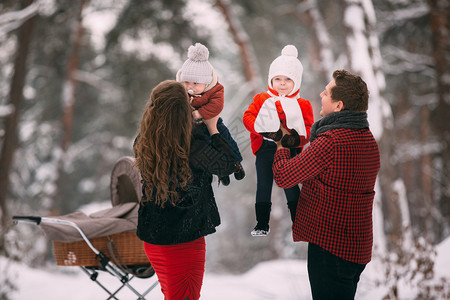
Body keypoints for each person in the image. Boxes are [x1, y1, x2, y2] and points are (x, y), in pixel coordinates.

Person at [272, 69, 380, 299]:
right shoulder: (368, 140)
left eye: (327, 92)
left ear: (339, 105)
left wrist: (281, 145)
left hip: (331, 248)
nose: (321, 93)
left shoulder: (331, 141)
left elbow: (283, 175)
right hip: (357, 249)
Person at [134, 80, 236, 300]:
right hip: (183, 245)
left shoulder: (142, 141)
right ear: (183, 112)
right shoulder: (194, 146)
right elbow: (230, 164)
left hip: (153, 241)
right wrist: (213, 126)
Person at [243, 45, 314, 236]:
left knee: (290, 185)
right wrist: (262, 129)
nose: (282, 84)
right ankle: (262, 223)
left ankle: (300, 222)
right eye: (278, 79)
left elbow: (309, 129)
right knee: (263, 185)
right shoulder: (262, 99)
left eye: (288, 79)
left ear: (296, 81)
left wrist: (294, 140)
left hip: (290, 150)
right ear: (271, 80)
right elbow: (247, 117)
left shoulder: (302, 104)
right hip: (266, 147)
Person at [176, 42, 245, 186]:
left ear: (206, 83)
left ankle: (236, 162)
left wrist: (200, 113)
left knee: (225, 139)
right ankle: (220, 172)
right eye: (186, 82)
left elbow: (216, 106)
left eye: (196, 83)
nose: (190, 87)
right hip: (193, 127)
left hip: (211, 120)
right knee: (207, 149)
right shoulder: (179, 92)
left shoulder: (215, 90)